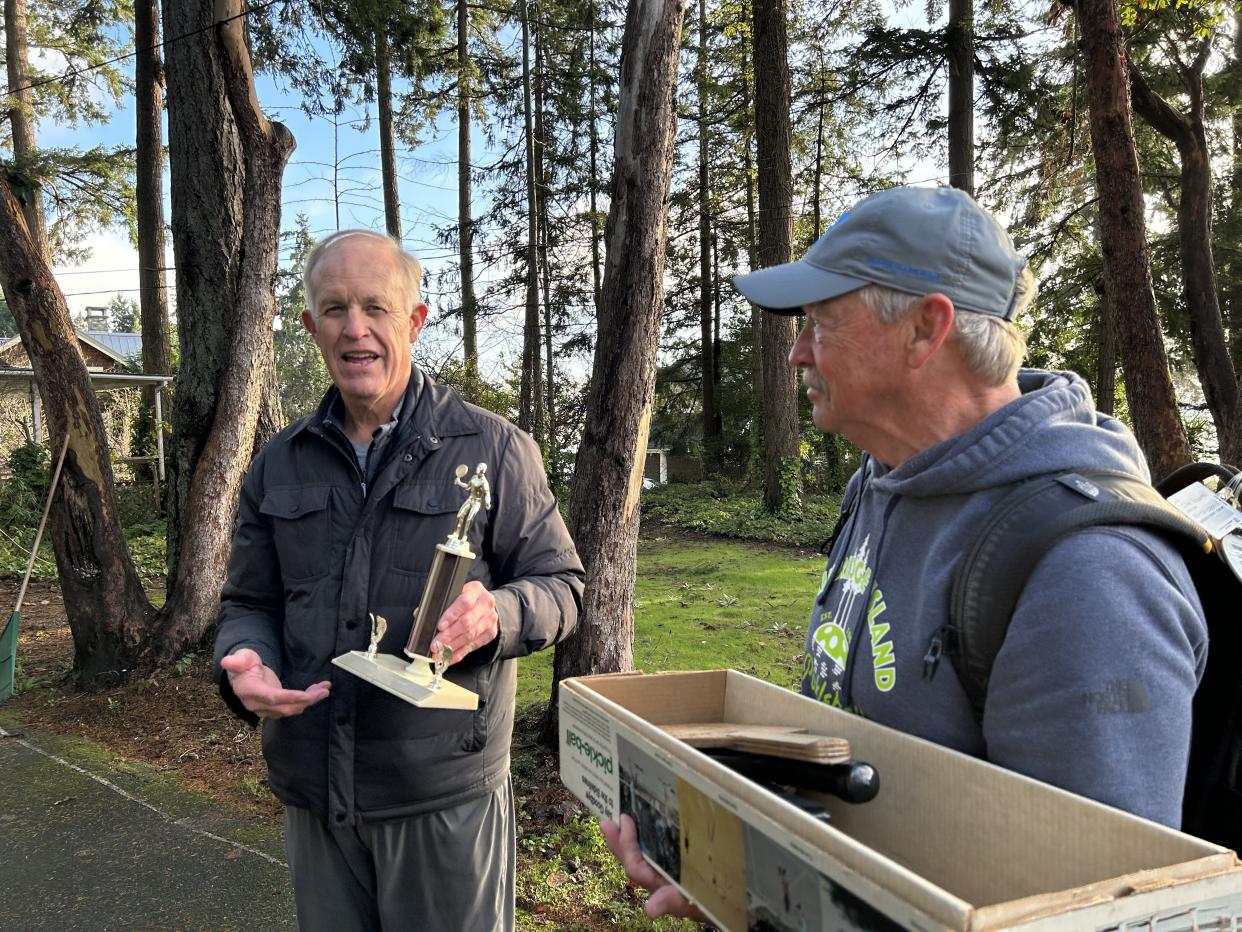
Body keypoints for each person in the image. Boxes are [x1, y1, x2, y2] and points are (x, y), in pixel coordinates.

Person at [603, 184, 1207, 921]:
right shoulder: (881, 480)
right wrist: (743, 885)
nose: (795, 354)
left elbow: (1093, 909)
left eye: (822, 321)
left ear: (926, 329)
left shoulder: (1089, 574)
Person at [213, 229, 584, 932]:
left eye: (375, 308)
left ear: (413, 320)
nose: (356, 329)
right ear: (310, 327)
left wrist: (498, 615)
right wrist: (244, 658)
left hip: (441, 800)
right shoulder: (278, 464)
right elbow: (248, 601)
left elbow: (561, 584)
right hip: (316, 795)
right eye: (334, 309)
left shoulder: (494, 448)